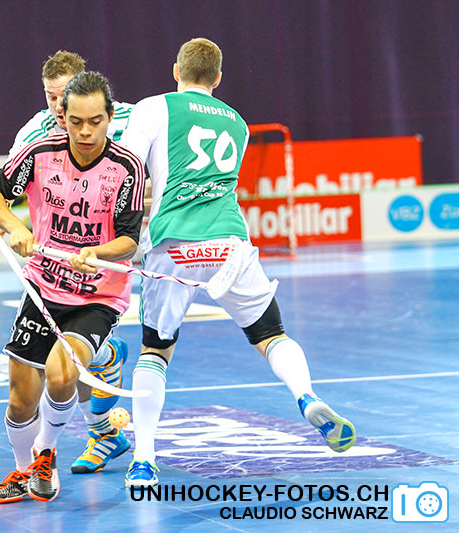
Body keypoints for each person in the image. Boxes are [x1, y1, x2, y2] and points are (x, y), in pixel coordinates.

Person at [120, 38, 356, 487]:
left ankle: (144, 460)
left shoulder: (154, 108)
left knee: (156, 350)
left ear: (176, 71)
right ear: (218, 78)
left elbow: (127, 168)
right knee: (271, 335)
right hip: (230, 243)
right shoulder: (238, 123)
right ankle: (306, 395)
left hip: (174, 244)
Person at [0, 71, 145, 503]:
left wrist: (97, 251)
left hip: (98, 294)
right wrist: (15, 226)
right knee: (20, 401)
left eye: (95, 121)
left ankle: (46, 453)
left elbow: (129, 240)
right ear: (63, 117)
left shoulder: (127, 167)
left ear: (110, 117)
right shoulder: (40, 152)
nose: (85, 131)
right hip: (43, 287)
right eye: (76, 121)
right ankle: (22, 470)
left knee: (62, 371)